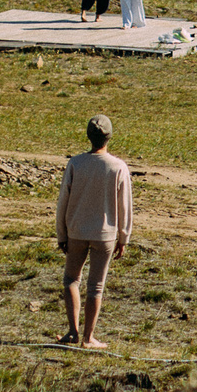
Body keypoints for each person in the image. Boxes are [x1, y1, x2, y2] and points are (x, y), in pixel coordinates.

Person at [54, 113, 132, 348]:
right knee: (96, 285)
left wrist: (61, 233)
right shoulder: (118, 166)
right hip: (105, 234)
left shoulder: (76, 163)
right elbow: (125, 205)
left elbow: (62, 202)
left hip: (76, 231)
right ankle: (88, 338)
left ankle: (72, 332)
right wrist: (123, 237)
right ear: (109, 137)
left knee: (71, 280)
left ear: (88, 135)